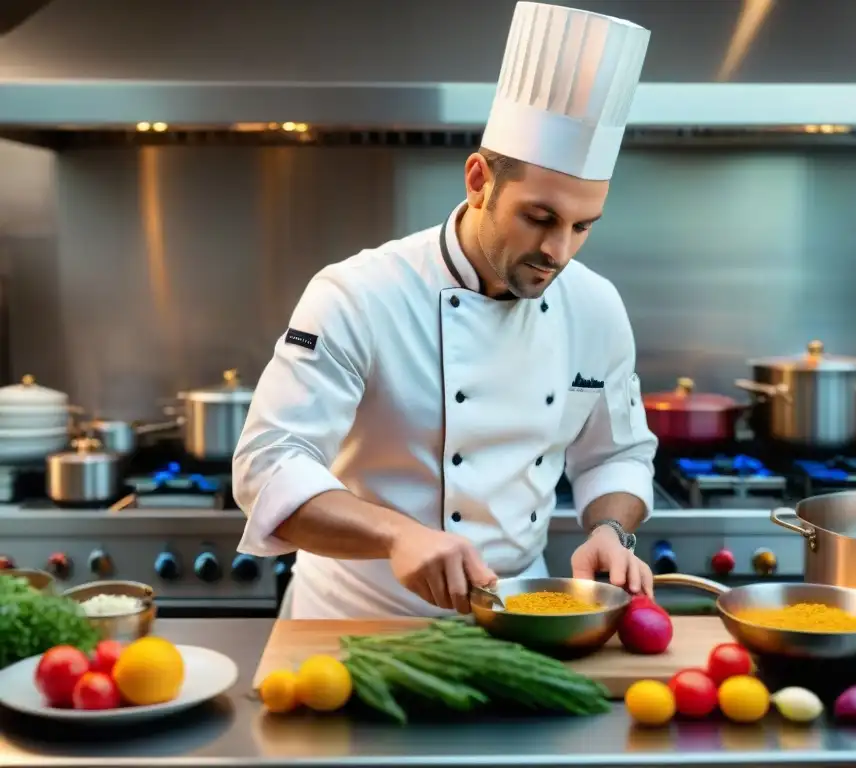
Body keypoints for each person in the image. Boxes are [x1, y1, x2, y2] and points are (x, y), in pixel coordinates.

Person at [232, 1, 657, 619]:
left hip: (517, 621)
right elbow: (268, 466)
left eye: (582, 226)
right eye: (538, 218)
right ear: (479, 179)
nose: (557, 252)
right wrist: (396, 535)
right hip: (354, 624)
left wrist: (609, 533)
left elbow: (617, 454)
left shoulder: (595, 307)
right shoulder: (359, 294)